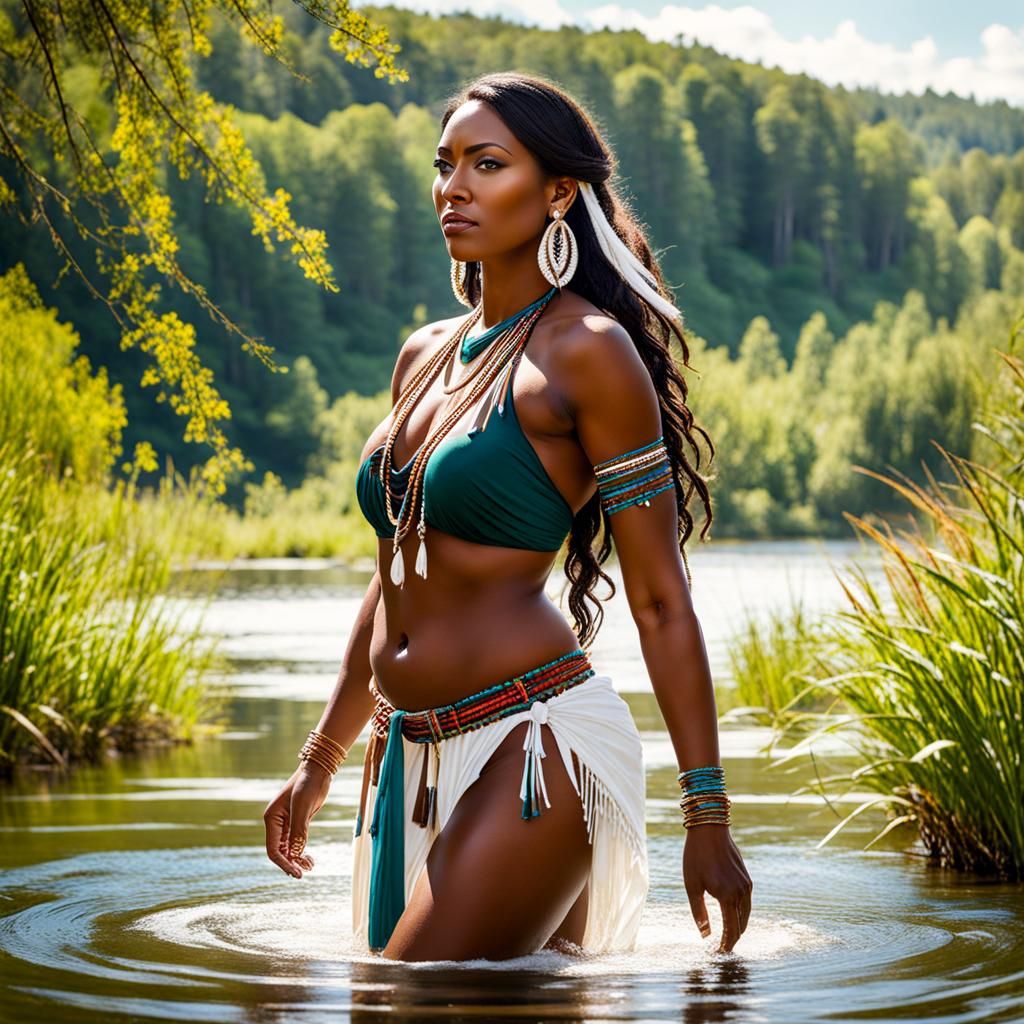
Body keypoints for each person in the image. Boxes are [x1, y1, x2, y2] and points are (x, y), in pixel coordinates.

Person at [263, 71, 753, 961]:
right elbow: (392, 581)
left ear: (560, 190)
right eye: (445, 165)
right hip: (408, 754)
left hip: (533, 749)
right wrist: (318, 759)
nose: (455, 187)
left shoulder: (589, 354)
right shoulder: (423, 354)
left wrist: (707, 814)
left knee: (407, 1003)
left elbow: (660, 600)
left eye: (488, 164)